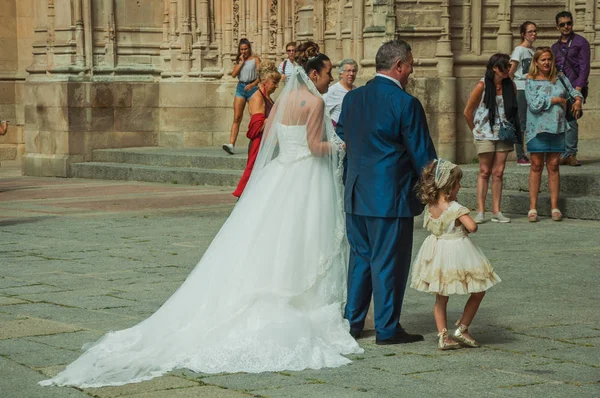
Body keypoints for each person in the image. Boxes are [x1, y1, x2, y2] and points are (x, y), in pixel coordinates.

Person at [40, 41, 362, 388]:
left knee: (268, 238)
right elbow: (315, 147)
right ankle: (301, 301)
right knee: (302, 238)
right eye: (328, 72)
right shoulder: (313, 102)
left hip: (280, 175)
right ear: (313, 73)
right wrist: (341, 145)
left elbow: (270, 137)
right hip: (304, 177)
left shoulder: (282, 103)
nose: (331, 78)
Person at [337, 39, 437, 345]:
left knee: (361, 259)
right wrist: (440, 192)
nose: (411, 70)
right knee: (388, 262)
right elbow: (424, 157)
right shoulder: (406, 103)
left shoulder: (353, 100)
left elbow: (343, 134)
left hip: (356, 192)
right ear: (398, 66)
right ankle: (387, 327)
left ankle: (352, 322)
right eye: (410, 64)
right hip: (390, 196)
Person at [410, 159, 501, 350]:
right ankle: (463, 328)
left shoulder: (431, 206)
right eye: (458, 183)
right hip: (457, 251)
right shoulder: (454, 208)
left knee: (441, 296)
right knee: (478, 289)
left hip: (437, 252)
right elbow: (472, 226)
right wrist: (462, 215)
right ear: (449, 186)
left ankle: (443, 336)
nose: (460, 186)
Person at [525, 47, 582, 222]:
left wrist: (578, 100)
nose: (547, 63)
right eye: (543, 59)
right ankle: (533, 207)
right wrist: (556, 100)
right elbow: (534, 105)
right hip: (537, 130)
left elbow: (574, 92)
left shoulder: (561, 78)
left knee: (554, 166)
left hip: (557, 128)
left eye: (549, 59)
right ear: (536, 62)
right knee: (536, 166)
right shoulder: (530, 80)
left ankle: (554, 207)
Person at [463, 53, 520, 224]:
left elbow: (512, 110)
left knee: (499, 171)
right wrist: (476, 131)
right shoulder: (482, 85)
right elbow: (467, 112)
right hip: (484, 133)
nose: (509, 70)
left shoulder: (511, 86)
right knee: (484, 171)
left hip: (503, 132)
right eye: (506, 67)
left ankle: (496, 210)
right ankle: (481, 211)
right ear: (496, 68)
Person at [232, 61, 281, 197]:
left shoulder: (267, 98)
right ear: (264, 81)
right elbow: (256, 127)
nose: (277, 86)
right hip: (258, 144)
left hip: (267, 143)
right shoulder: (257, 98)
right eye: (274, 82)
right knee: (253, 180)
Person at [551, 11, 590, 167]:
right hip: (559, 88)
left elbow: (585, 67)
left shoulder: (581, 42)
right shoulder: (555, 47)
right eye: (562, 24)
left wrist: (578, 91)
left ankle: (571, 154)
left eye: (569, 23)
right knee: (562, 119)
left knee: (572, 118)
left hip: (575, 85)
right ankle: (563, 152)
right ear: (557, 26)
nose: (566, 26)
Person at [223, 38, 261, 155]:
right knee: (237, 117)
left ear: (249, 49)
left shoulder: (255, 59)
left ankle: (256, 145)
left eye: (245, 49)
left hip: (252, 88)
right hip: (241, 88)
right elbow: (234, 75)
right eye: (241, 49)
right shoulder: (239, 61)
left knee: (254, 117)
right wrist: (241, 63)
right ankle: (231, 145)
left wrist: (252, 85)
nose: (243, 51)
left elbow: (261, 75)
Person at [509, 21, 537, 166]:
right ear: (523, 34)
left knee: (532, 122)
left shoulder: (534, 51)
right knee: (521, 122)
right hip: (520, 88)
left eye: (535, 31)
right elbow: (511, 71)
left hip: (532, 89)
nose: (534, 34)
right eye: (530, 32)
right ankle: (520, 155)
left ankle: (532, 153)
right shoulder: (519, 50)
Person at [323, 59, 358, 126]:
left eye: (354, 71)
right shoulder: (331, 91)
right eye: (348, 71)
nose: (351, 74)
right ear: (341, 74)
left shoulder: (356, 90)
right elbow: (321, 113)